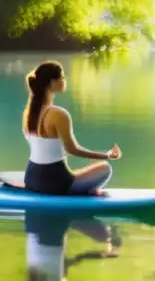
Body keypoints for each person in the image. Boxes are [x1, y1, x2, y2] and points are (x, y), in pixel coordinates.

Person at [22, 60, 120, 196]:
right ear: (52, 83)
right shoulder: (58, 114)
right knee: (105, 168)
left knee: (75, 171)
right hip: (55, 185)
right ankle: (85, 192)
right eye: (62, 77)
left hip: (31, 179)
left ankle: (85, 189)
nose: (64, 80)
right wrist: (106, 155)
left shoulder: (29, 114)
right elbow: (72, 150)